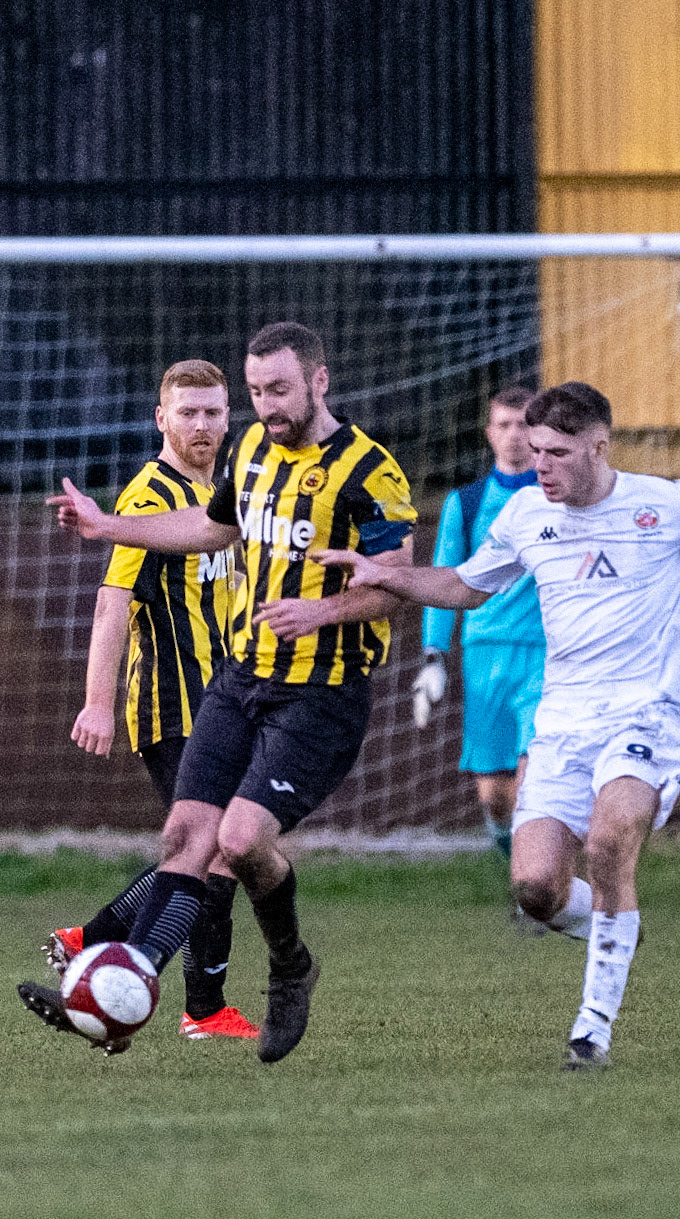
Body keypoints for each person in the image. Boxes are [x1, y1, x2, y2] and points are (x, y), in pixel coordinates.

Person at [313, 381, 680, 1072]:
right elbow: (467, 586)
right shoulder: (527, 514)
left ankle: (591, 1031)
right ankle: (614, 925)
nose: (541, 467)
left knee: (610, 838)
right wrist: (385, 577)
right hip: (560, 726)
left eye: (557, 454)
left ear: (599, 446)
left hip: (643, 716)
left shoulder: (667, 504)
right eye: (535, 452)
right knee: (536, 890)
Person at [21, 321, 416, 1064]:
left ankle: (288, 966)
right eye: (258, 391)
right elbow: (210, 528)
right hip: (236, 682)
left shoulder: (370, 470)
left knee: (238, 844)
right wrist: (110, 524)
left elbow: (400, 580)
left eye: (279, 391)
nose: (266, 407)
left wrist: (323, 610)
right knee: (186, 839)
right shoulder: (253, 455)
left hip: (320, 691)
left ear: (320, 381)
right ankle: (123, 988)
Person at [46, 359, 258, 1040]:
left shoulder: (223, 492)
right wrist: (97, 701)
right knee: (217, 850)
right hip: (172, 704)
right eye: (188, 412)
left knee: (212, 846)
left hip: (224, 700)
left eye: (213, 412)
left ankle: (93, 939)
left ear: (230, 416)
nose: (202, 425)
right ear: (161, 419)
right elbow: (114, 603)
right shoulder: (149, 495)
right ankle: (204, 1008)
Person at [414, 387, 545, 863]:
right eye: (505, 425)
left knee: (536, 778)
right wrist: (434, 657)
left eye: (525, 425)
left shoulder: (556, 499)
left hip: (546, 655)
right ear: (489, 433)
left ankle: (536, 881)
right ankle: (516, 867)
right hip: (484, 655)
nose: (515, 435)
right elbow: (445, 579)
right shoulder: (466, 503)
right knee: (494, 794)